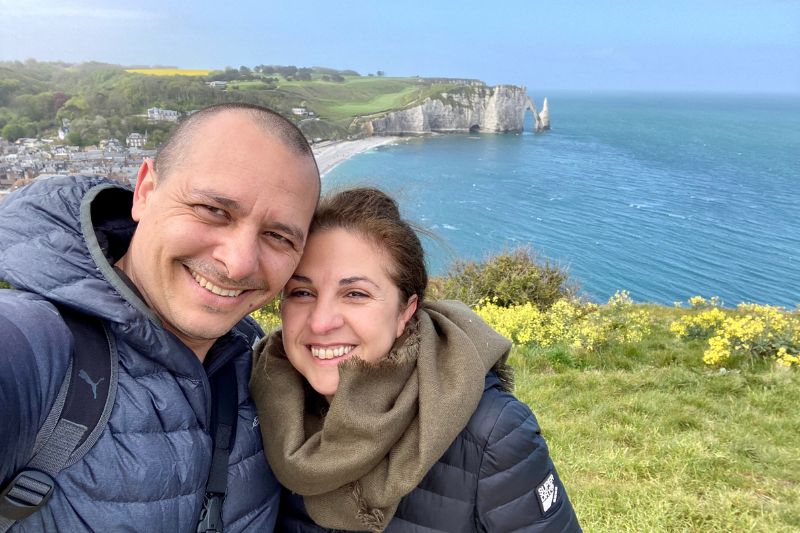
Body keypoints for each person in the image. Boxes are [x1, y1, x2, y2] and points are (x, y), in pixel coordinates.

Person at [0, 103, 321, 531]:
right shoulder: (37, 346)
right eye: (214, 210)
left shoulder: (259, 369)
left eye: (278, 236)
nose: (239, 263)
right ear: (146, 191)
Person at [250, 188, 582, 532]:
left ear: (405, 313)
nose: (321, 322)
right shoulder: (256, 400)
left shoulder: (492, 434)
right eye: (302, 292)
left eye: (355, 294)